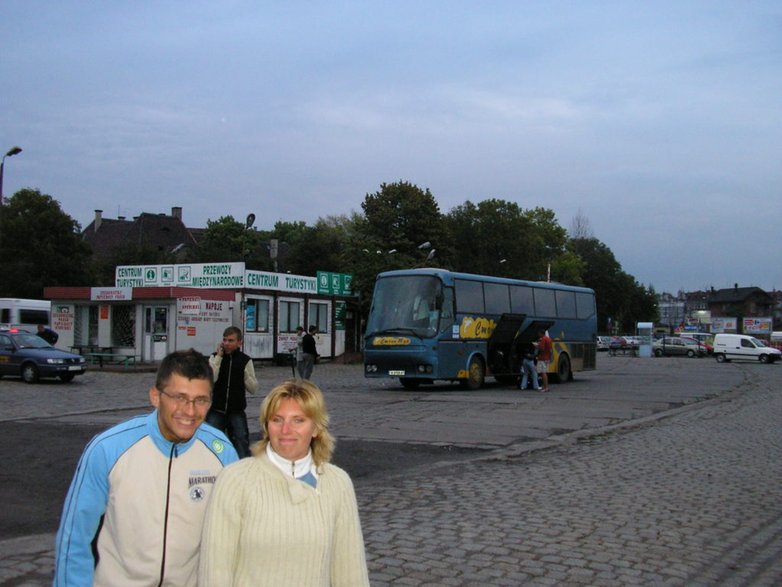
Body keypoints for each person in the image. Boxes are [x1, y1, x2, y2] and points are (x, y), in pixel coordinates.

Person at [54, 349, 239, 587]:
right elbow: (74, 539)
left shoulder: (222, 452)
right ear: (155, 396)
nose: (190, 411)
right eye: (179, 398)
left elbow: (234, 539)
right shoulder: (108, 450)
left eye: (200, 400)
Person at [198, 379, 370, 586]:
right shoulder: (234, 480)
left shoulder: (338, 483)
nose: (286, 430)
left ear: (316, 428)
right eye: (277, 420)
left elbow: (350, 572)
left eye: (298, 420)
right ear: (266, 426)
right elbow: (215, 573)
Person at [207, 326, 259, 458]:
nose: (227, 343)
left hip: (236, 410)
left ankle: (243, 468)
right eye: (225, 340)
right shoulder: (214, 357)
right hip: (216, 409)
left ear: (239, 343)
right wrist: (218, 357)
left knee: (241, 440)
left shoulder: (245, 360)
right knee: (211, 441)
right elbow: (211, 379)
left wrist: (245, 374)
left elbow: (253, 388)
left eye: (231, 340)